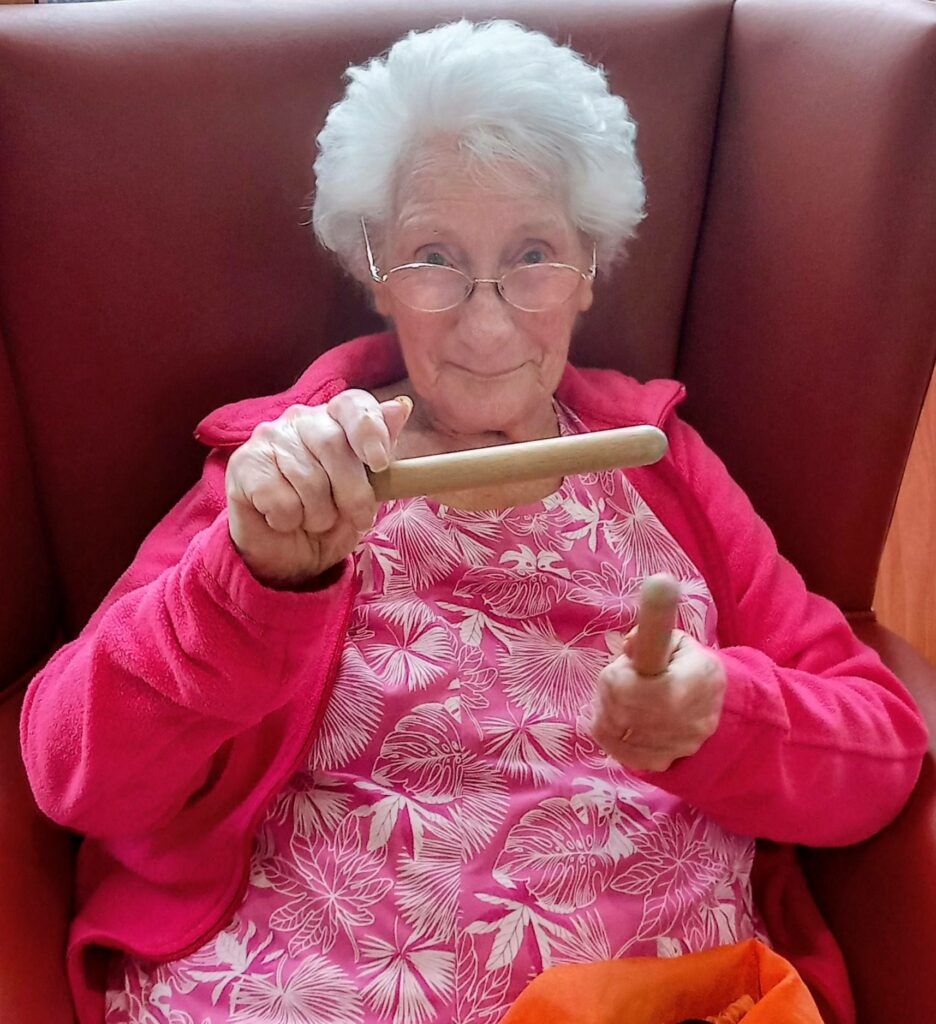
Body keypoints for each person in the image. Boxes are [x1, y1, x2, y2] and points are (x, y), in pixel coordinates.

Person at [21, 18, 927, 1024]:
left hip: (649, 990)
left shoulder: (664, 461)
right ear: (374, 269)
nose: (487, 322)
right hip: (316, 984)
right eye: (433, 256)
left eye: (534, 253)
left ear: (591, 265)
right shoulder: (286, 470)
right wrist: (247, 582)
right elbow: (73, 772)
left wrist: (722, 716)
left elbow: (882, 754)